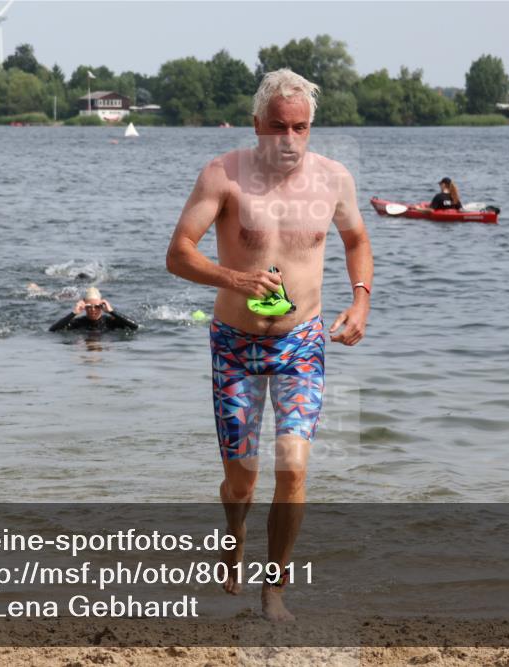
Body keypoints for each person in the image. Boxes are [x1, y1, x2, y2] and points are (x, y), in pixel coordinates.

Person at [166, 68, 373, 622]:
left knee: (294, 468)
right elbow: (178, 253)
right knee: (242, 479)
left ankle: (274, 588)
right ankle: (233, 535)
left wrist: (361, 300)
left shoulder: (333, 179)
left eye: (300, 128)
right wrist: (234, 279)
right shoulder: (223, 175)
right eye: (277, 127)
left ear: (311, 127)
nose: (288, 140)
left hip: (301, 344)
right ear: (257, 124)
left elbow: (356, 239)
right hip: (234, 345)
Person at [48, 286, 136, 332]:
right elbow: (52, 330)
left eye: (97, 306)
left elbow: (135, 327)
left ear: (102, 306)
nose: (93, 309)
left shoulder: (110, 322)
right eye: (89, 306)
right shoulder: (78, 323)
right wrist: (74, 313)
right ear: (84, 307)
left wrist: (111, 312)